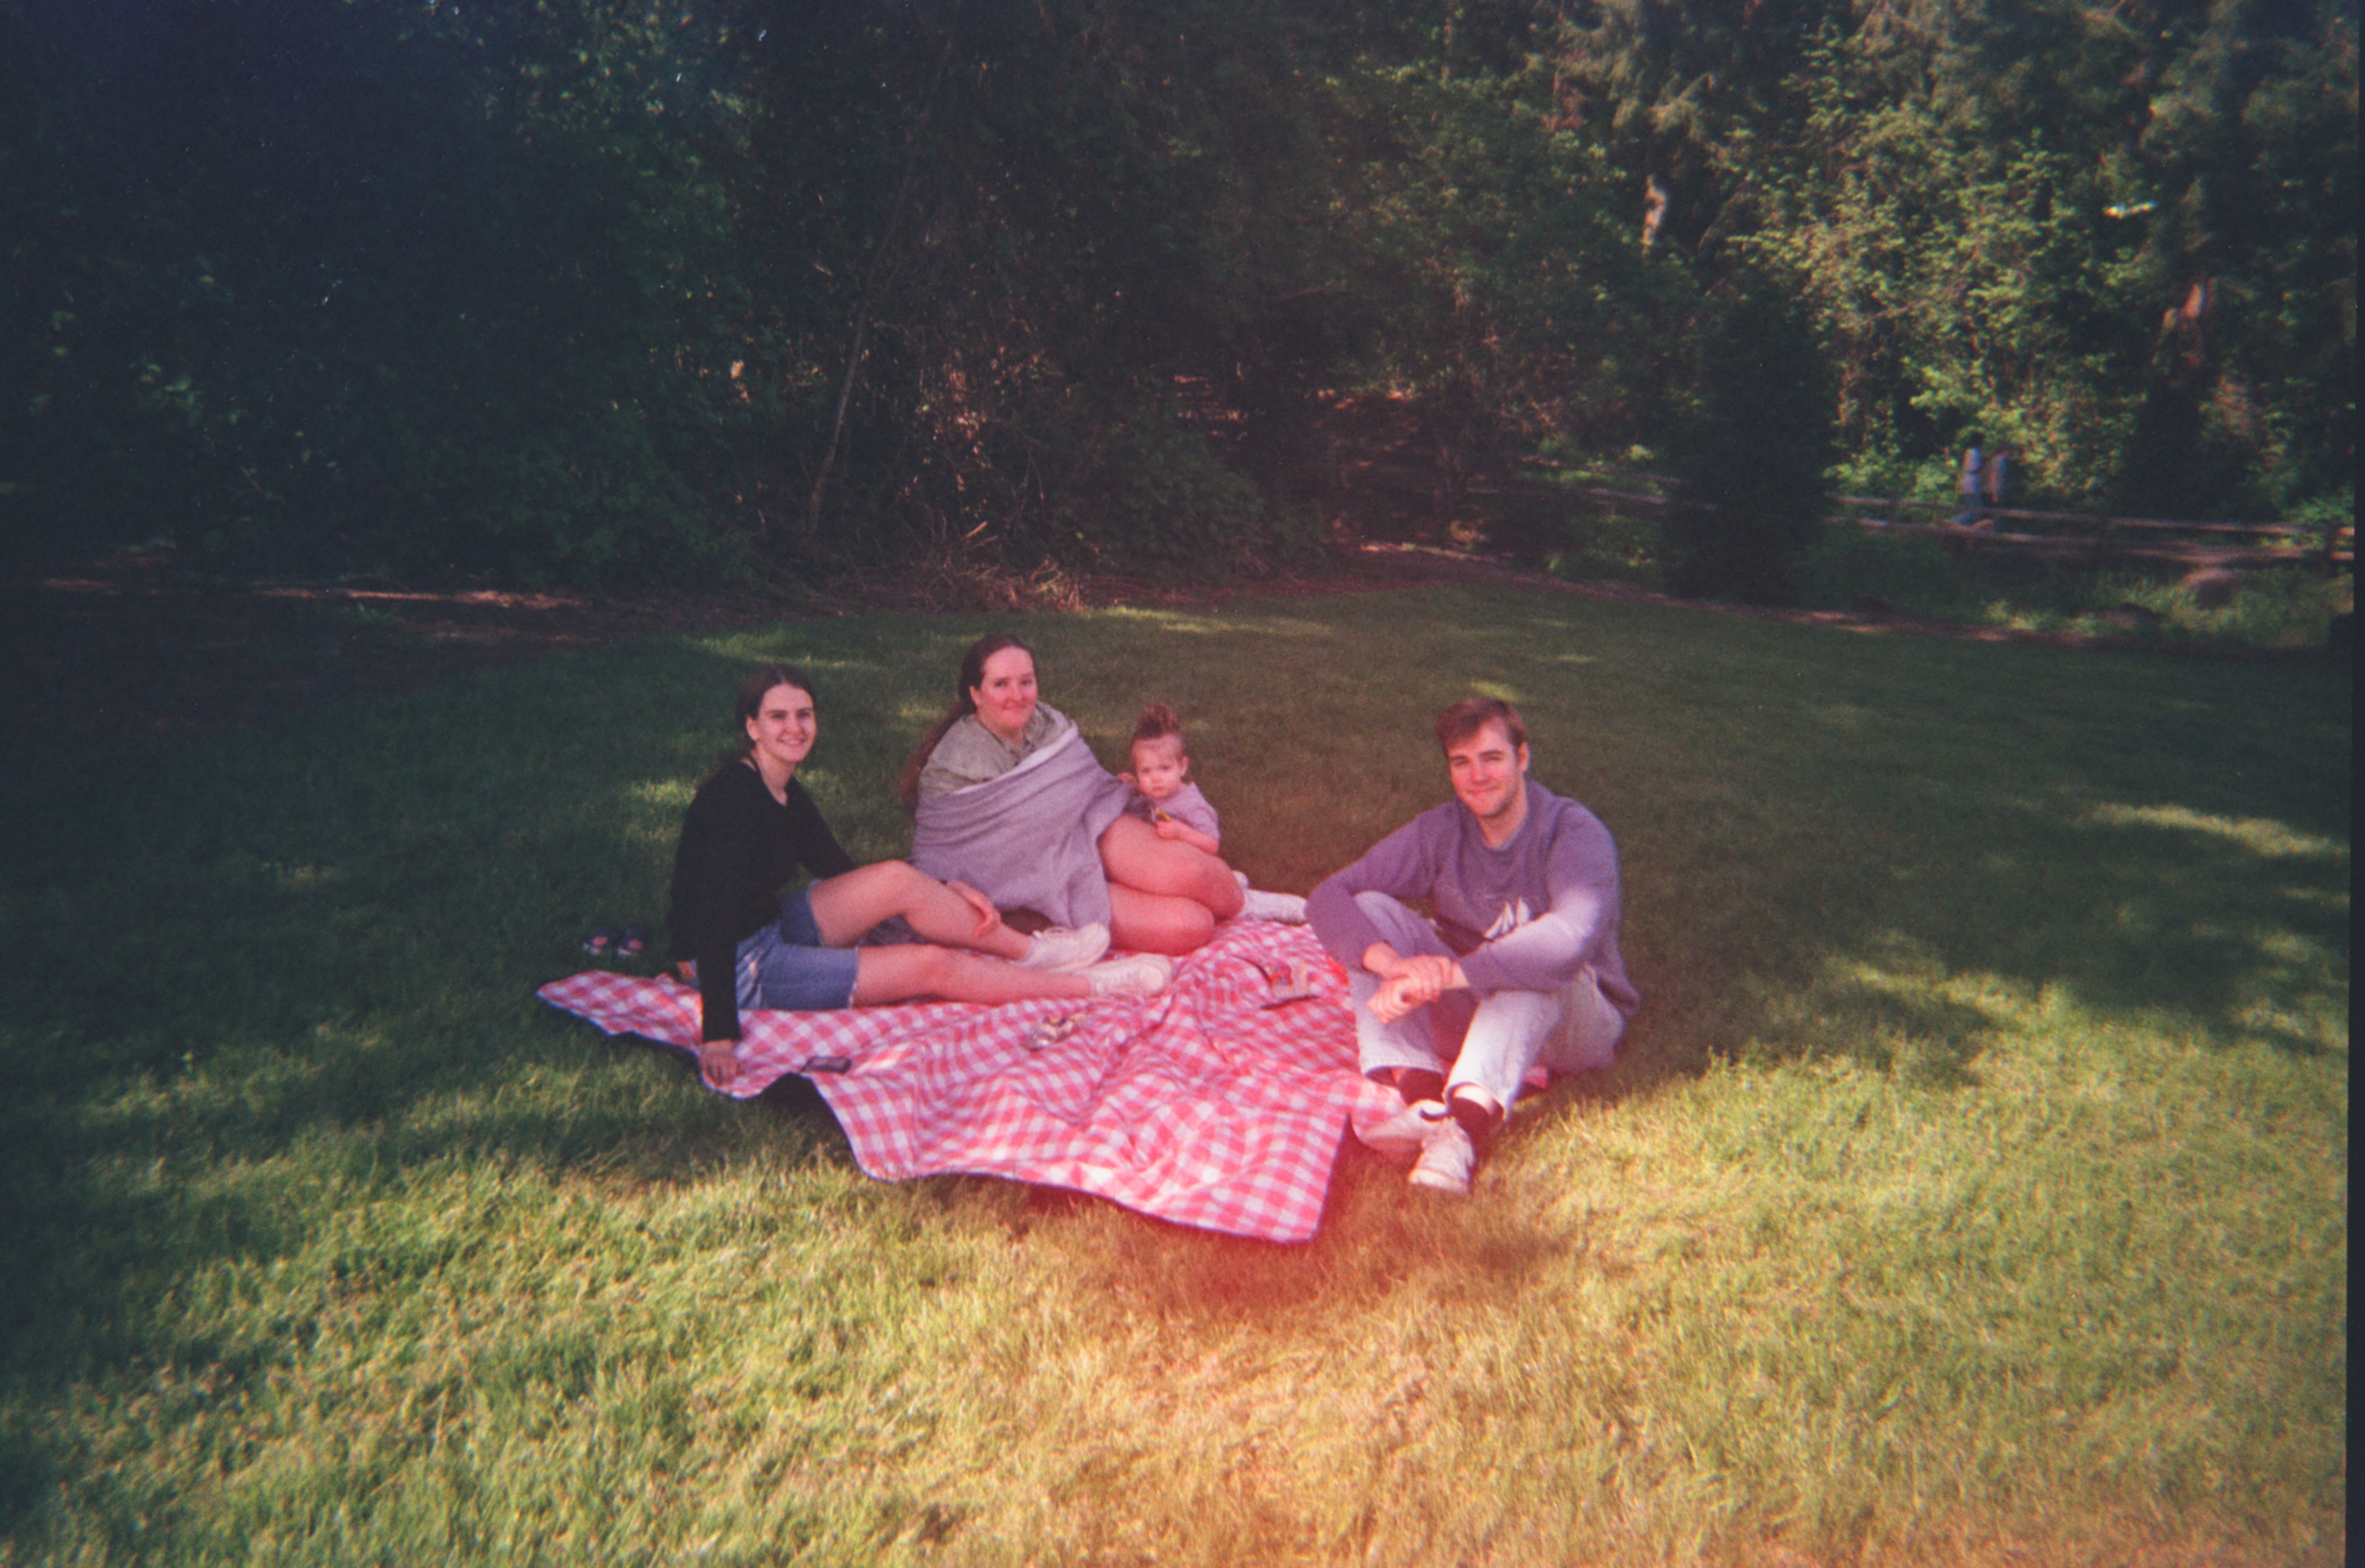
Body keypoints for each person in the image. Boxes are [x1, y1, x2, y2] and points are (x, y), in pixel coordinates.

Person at [669, 664, 1172, 1090]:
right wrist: (718, 1032)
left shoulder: (779, 786)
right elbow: (711, 915)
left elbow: (847, 873)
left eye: (804, 714)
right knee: (932, 964)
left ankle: (1035, 952)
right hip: (734, 966)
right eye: (778, 716)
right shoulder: (732, 799)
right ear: (752, 727)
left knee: (894, 877)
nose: (795, 727)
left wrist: (940, 890)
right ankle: (1092, 984)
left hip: (767, 926)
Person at [1306, 696, 1639, 1197]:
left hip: (1574, 1021)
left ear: (1522, 758)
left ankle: (1459, 1135)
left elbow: (1567, 942)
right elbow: (1327, 896)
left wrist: (1444, 975)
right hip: (1471, 1010)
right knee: (1371, 906)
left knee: (1533, 964)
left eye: (1492, 758)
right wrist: (1397, 966)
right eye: (1462, 763)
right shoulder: (1441, 828)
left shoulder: (1572, 830)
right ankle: (1422, 1101)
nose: (1478, 776)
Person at [899, 635, 1248, 955]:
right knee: (1191, 926)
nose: (1018, 696)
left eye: (1026, 681)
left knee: (1202, 876)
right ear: (976, 694)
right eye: (1001, 684)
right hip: (1043, 878)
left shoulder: (1049, 723)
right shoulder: (951, 767)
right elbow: (937, 858)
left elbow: (1086, 787)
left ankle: (1253, 904)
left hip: (1090, 828)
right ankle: (1064, 915)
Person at [1118, 703, 1306, 923]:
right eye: (1146, 771)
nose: (1155, 779)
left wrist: (1181, 832)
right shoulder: (1155, 793)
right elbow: (1148, 801)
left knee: (1219, 908)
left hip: (1200, 869)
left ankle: (1277, 906)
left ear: (1183, 767)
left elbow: (1212, 844)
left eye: (1164, 769)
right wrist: (1135, 787)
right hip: (1173, 865)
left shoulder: (1190, 805)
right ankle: (1232, 880)